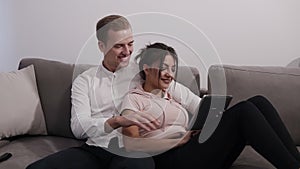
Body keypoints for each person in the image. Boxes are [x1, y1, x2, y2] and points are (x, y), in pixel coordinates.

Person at [26, 15, 200, 169]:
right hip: (96, 148)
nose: (127, 52)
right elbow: (78, 127)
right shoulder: (84, 81)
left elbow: (194, 102)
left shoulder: (144, 72)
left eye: (130, 44)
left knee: (138, 164)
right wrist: (117, 121)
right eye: (119, 46)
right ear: (102, 46)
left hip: (132, 150)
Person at [121, 42, 300, 169]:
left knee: (258, 101)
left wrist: (209, 120)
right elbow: (132, 145)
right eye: (163, 67)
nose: (169, 74)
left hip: (194, 150)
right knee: (244, 111)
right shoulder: (133, 99)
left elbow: (202, 108)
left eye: (173, 68)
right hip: (171, 158)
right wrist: (176, 141)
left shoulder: (173, 91)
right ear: (146, 68)